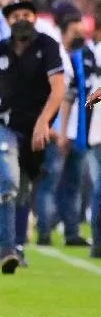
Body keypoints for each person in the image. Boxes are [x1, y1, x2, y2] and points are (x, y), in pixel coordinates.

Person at [0, 0, 66, 274]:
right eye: (15, 16)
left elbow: (58, 89)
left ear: (35, 18)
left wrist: (44, 123)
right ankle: (7, 251)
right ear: (8, 21)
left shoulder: (47, 46)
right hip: (4, 125)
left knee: (22, 189)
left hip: (35, 129)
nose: (21, 19)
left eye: (26, 14)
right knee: (10, 182)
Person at [38, 15, 93, 247]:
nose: (79, 35)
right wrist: (57, 129)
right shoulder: (56, 56)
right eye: (75, 31)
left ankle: (71, 231)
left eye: (82, 30)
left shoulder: (82, 58)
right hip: (57, 131)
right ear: (63, 31)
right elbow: (60, 98)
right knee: (49, 183)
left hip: (77, 132)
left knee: (73, 183)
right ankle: (45, 232)